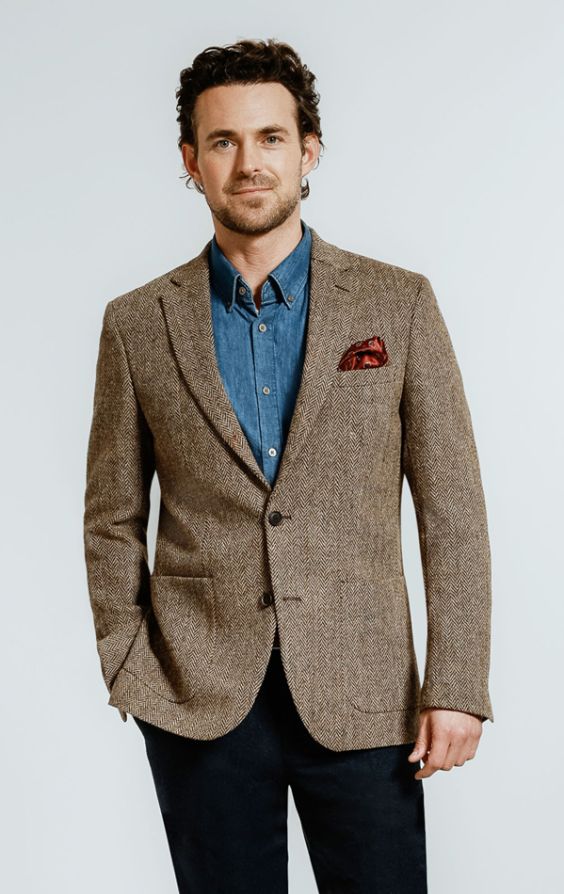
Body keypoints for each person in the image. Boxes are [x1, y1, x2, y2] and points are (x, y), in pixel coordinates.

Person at [83, 37, 494, 893]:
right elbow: (112, 515)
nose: (249, 163)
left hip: (365, 689)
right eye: (224, 141)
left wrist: (457, 683)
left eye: (270, 137)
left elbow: (451, 508)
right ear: (191, 162)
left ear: (308, 152)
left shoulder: (397, 303)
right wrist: (128, 661)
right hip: (198, 696)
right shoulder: (137, 323)